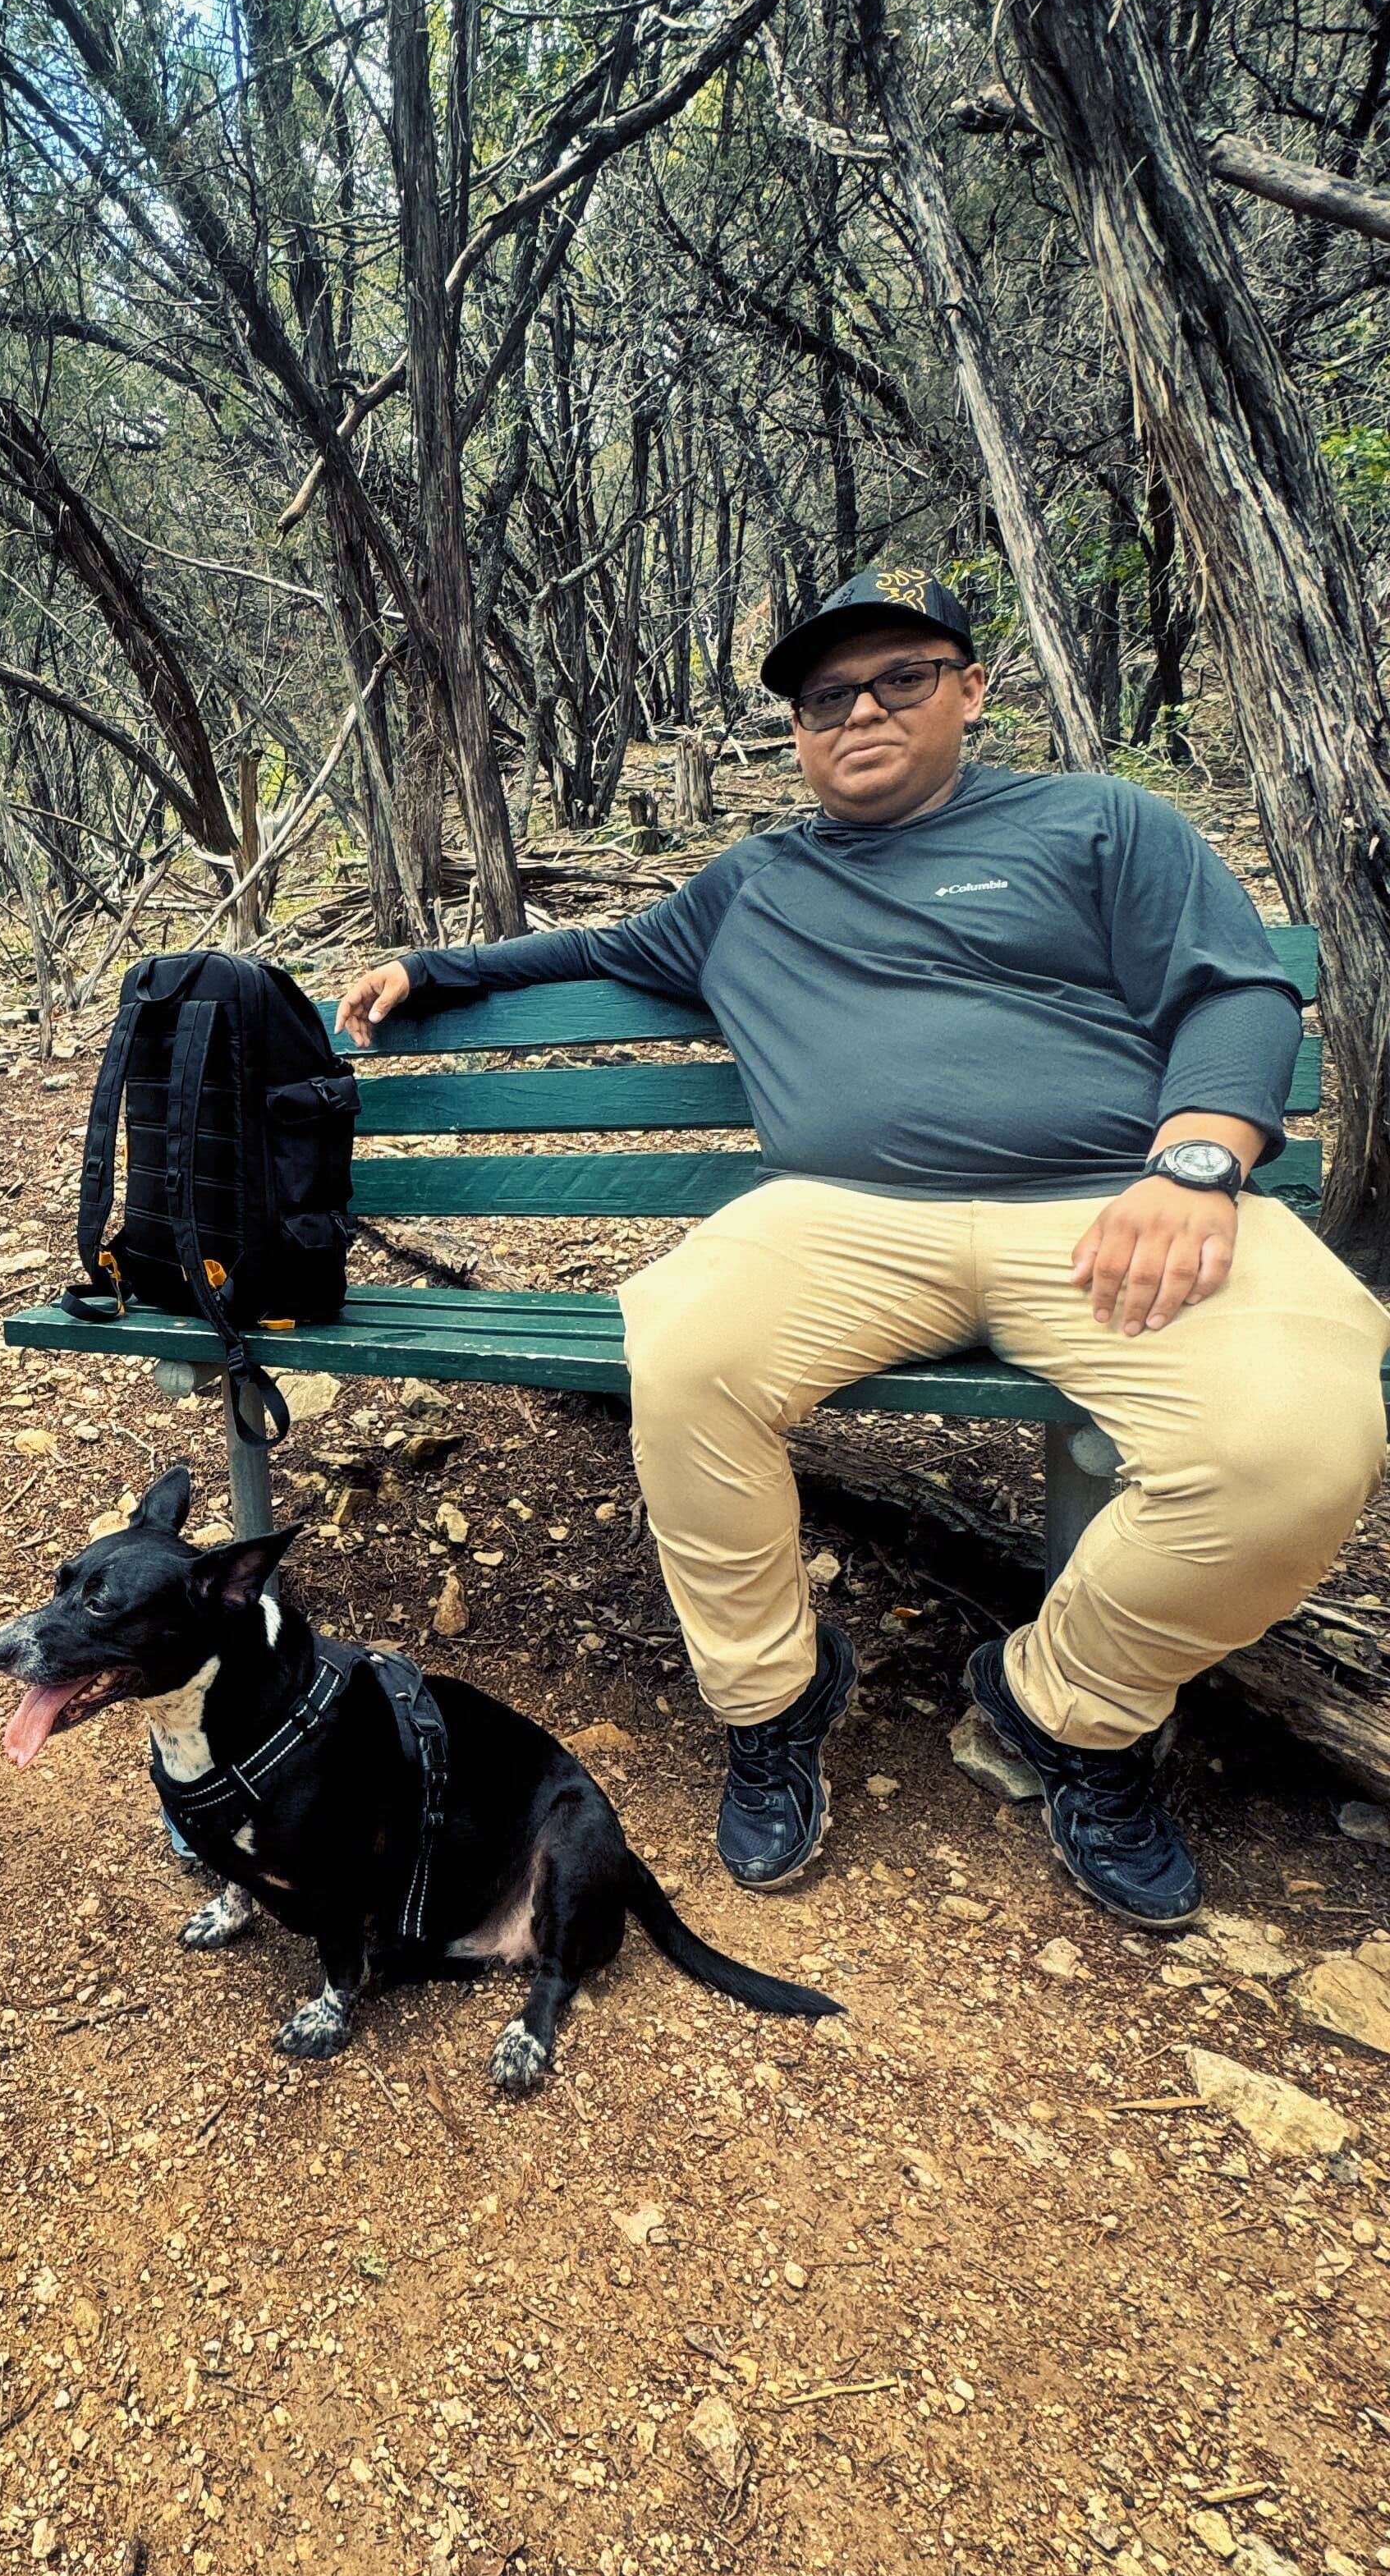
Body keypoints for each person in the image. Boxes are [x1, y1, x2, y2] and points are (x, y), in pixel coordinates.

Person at [337, 565, 1388, 1928]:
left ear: (970, 688)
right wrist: (436, 964)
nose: (862, 711)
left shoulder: (1103, 823)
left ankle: (1068, 1701)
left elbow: (1235, 991)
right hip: (845, 1218)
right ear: (797, 731)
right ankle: (774, 1700)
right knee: (688, 1351)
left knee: (1293, 1451)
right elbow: (597, 942)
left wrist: (1196, 1161)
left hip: (1114, 1202)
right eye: (828, 695)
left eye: (900, 677)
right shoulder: (752, 884)